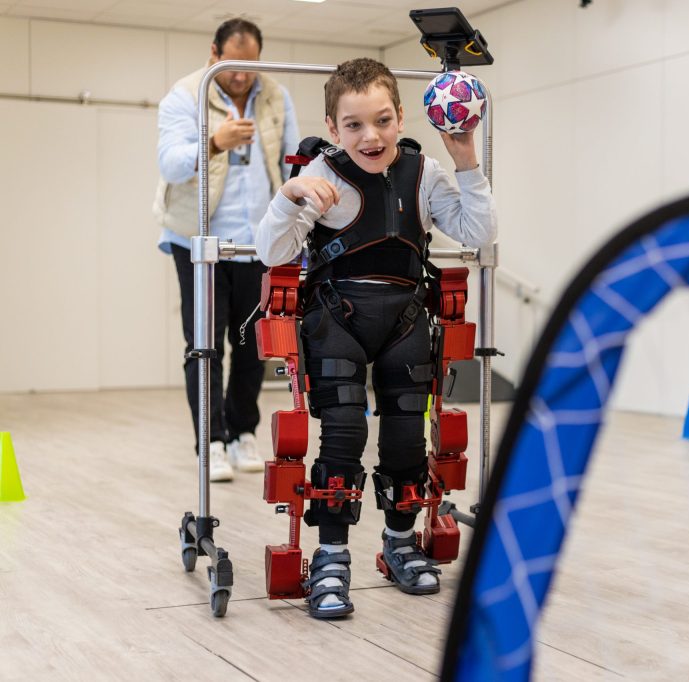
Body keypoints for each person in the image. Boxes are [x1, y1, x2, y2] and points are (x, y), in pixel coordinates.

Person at [255, 58, 496, 618]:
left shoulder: (424, 171)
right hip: (336, 320)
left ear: (400, 117)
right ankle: (331, 557)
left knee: (407, 438)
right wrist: (289, 195)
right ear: (333, 128)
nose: (372, 136)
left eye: (383, 121)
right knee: (343, 434)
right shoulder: (319, 174)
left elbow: (479, 234)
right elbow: (272, 252)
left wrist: (466, 161)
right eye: (355, 125)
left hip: (405, 320)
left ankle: (399, 544)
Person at [154, 18, 299, 482]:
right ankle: (211, 441)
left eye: (250, 65)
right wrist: (215, 142)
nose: (241, 75)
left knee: (253, 344)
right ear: (214, 53)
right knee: (205, 345)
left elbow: (292, 161)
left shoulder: (275, 95)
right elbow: (170, 164)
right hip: (200, 243)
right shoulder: (185, 94)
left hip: (257, 242)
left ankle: (242, 434)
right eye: (233, 64)